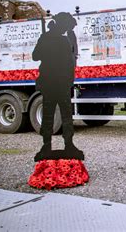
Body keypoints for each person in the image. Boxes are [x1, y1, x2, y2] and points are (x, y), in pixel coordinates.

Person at [33, 12, 83, 160]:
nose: (67, 29)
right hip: (58, 83)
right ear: (61, 24)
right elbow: (68, 63)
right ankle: (59, 145)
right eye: (66, 26)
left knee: (53, 115)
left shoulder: (48, 38)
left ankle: (52, 145)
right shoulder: (61, 41)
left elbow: (36, 55)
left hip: (52, 83)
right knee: (63, 115)